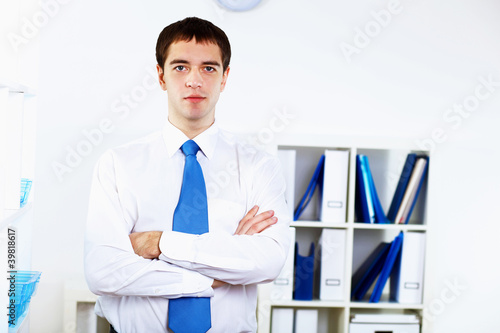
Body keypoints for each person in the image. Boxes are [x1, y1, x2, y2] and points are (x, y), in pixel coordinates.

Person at [84, 17, 291, 333]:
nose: (195, 80)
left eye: (209, 68)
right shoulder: (117, 164)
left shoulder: (259, 166)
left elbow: (269, 261)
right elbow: (102, 271)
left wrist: (160, 243)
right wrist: (222, 265)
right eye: (180, 67)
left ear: (224, 78)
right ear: (161, 75)